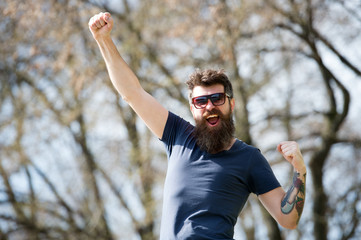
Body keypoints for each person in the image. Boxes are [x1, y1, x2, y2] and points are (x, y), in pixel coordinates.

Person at [88, 12, 307, 239]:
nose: (209, 106)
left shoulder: (249, 158)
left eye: (217, 99)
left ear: (231, 104)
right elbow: (132, 93)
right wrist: (103, 40)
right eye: (201, 101)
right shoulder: (177, 135)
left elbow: (288, 219)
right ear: (192, 109)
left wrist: (300, 171)